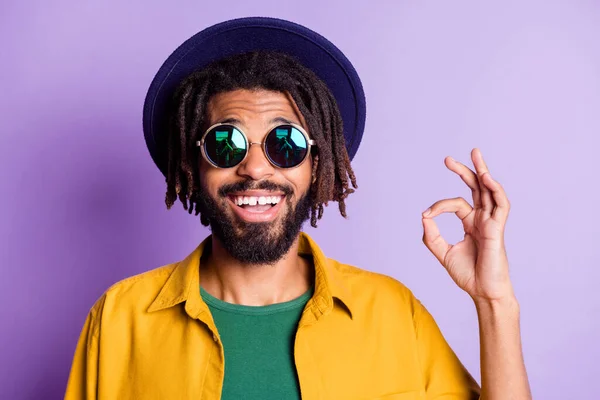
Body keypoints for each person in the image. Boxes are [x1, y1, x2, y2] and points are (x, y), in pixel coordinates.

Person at [65, 17, 531, 399]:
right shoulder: (119, 318)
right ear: (193, 165)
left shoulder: (392, 314)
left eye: (284, 143)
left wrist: (494, 302)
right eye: (226, 144)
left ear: (316, 164)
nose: (253, 169)